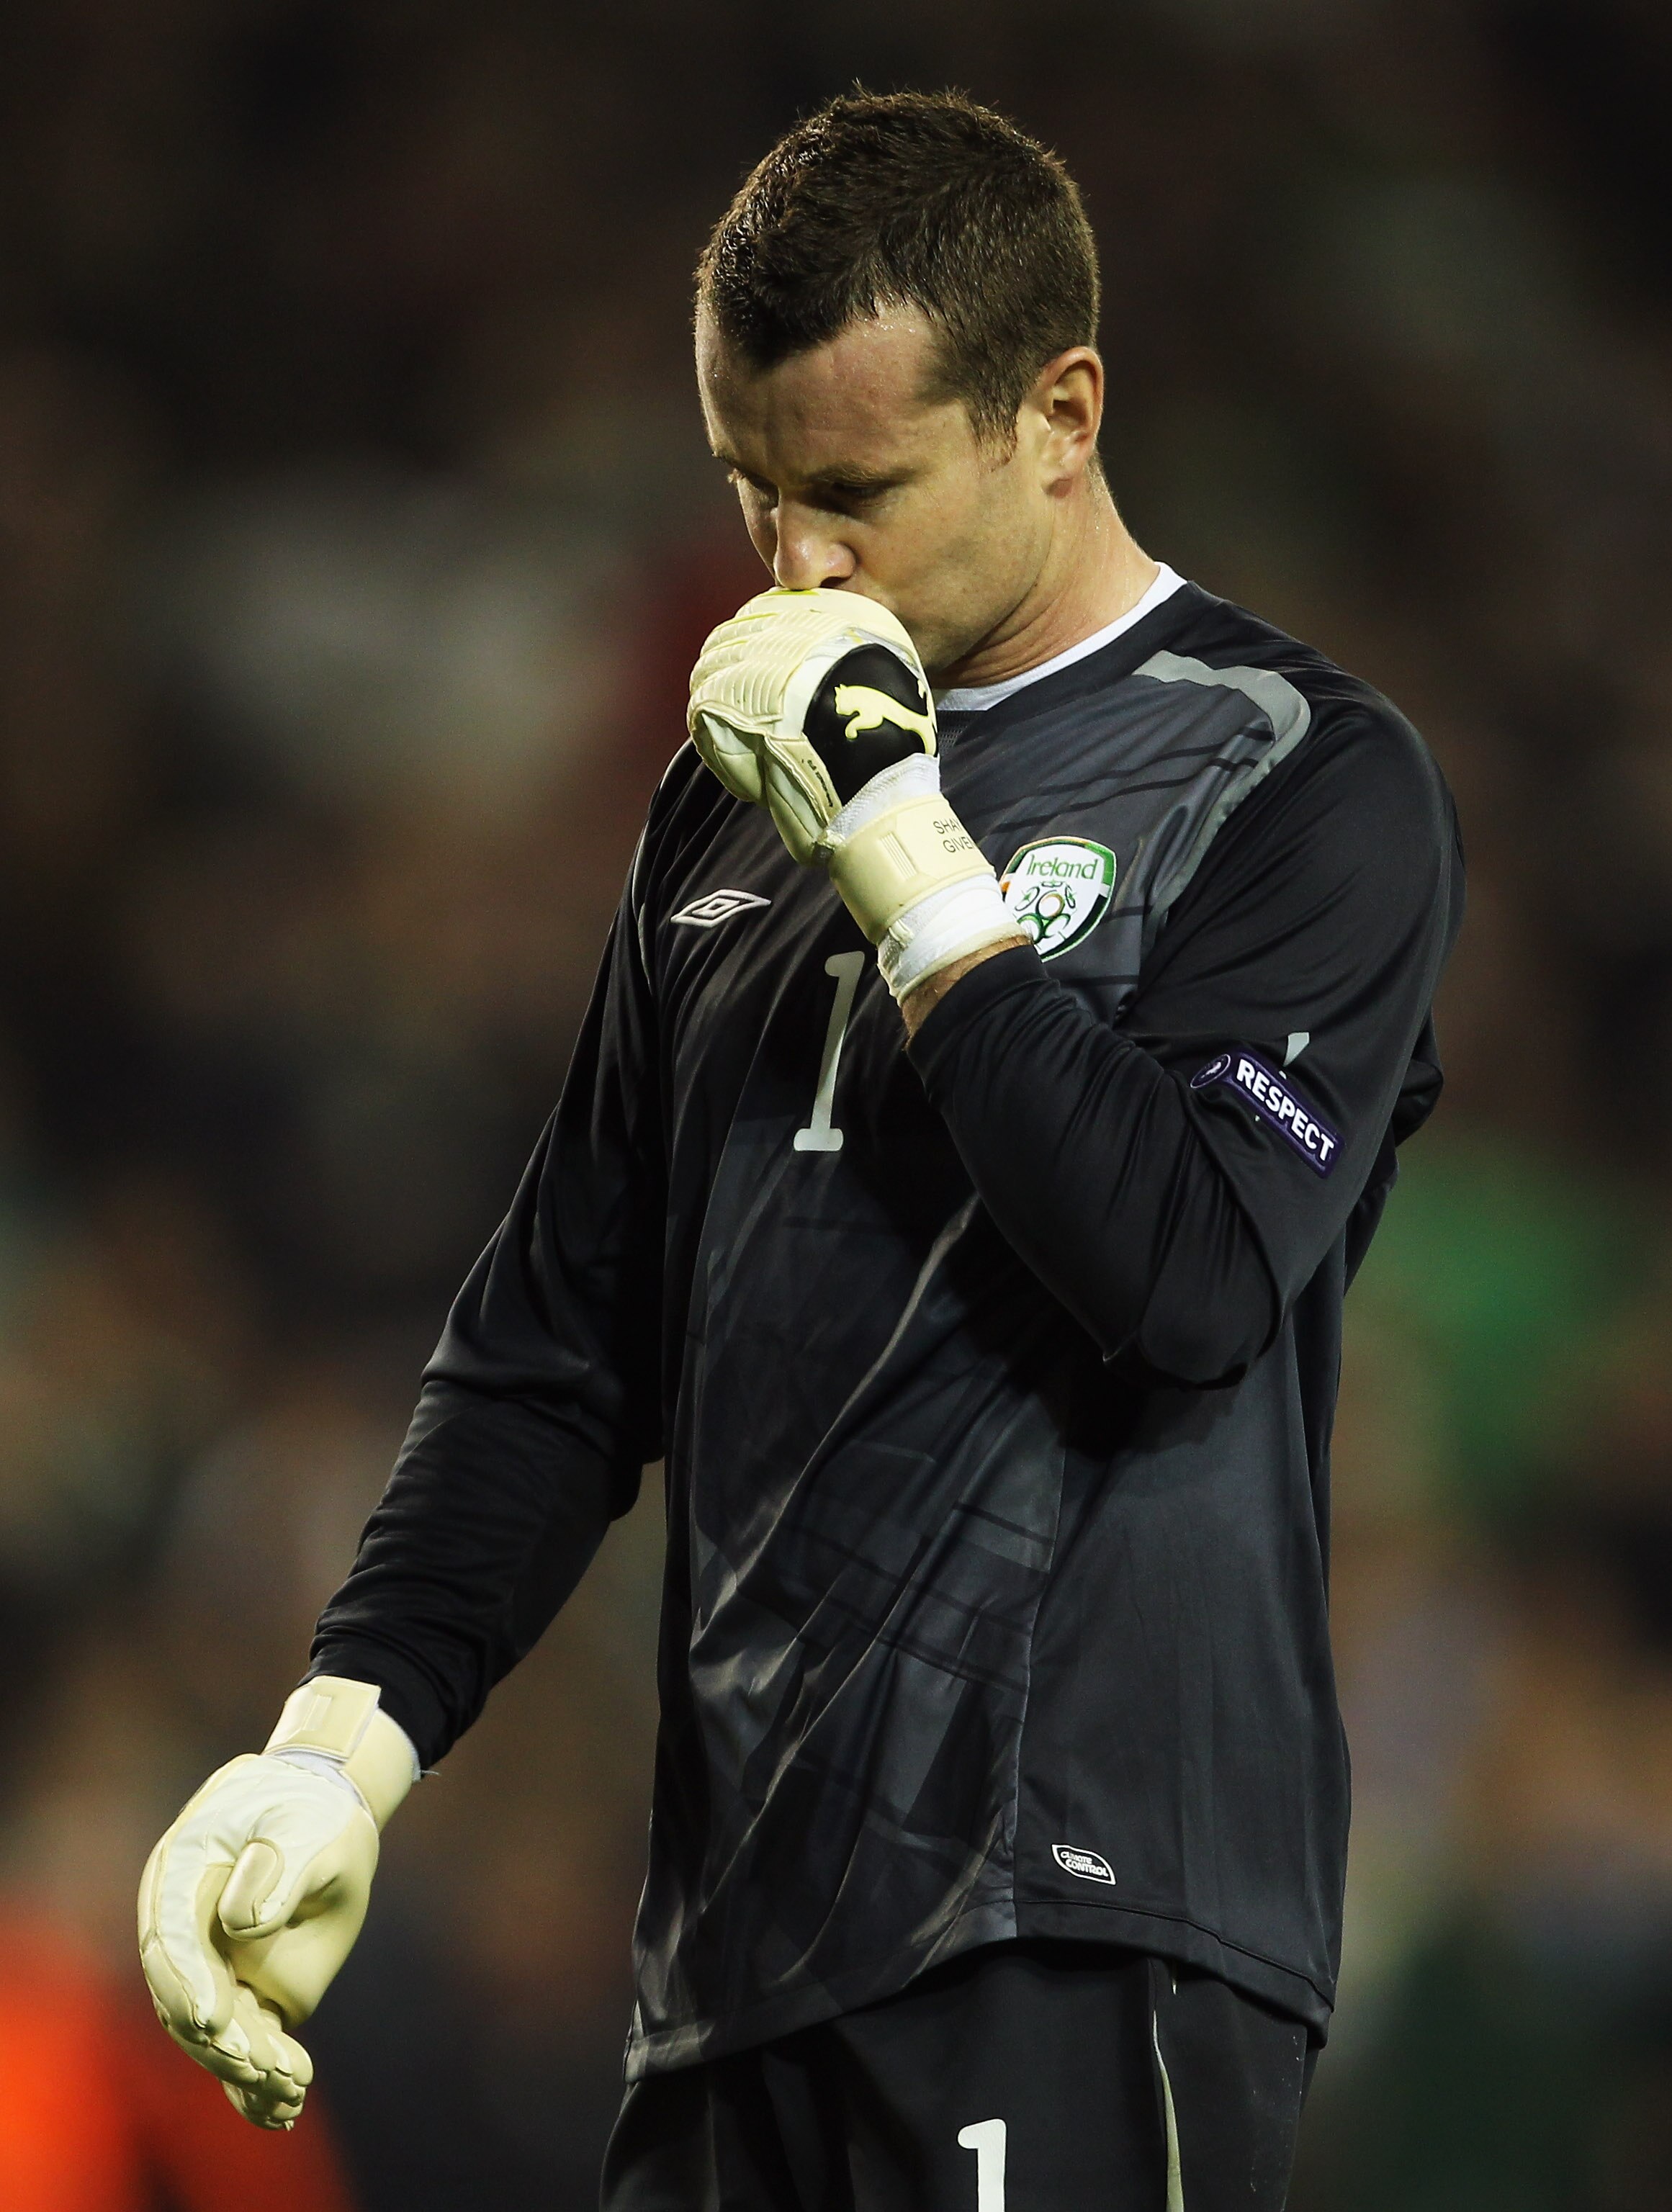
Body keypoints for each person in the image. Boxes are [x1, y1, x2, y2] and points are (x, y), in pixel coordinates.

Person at [136, 89, 1464, 2209]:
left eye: (855, 491)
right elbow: (561, 1342)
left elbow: (1189, 1274)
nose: (796, 564)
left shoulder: (1299, 778)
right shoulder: (728, 800)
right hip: (735, 1956)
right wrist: (339, 1744)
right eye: (751, 490)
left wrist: (908, 859)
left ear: (1058, 414)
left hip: (1076, 1921)